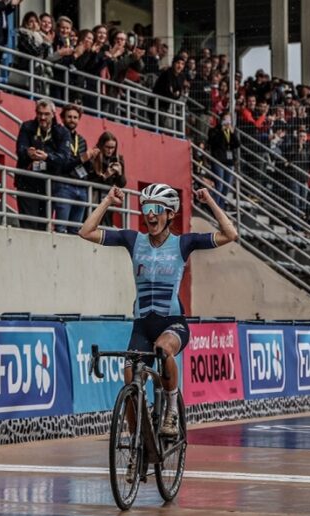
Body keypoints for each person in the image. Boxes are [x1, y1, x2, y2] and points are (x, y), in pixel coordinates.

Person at [78, 183, 237, 478]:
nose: (149, 215)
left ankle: (171, 408)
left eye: (155, 210)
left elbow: (231, 234)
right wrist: (108, 201)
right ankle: (138, 442)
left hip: (172, 323)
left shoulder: (183, 244)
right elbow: (85, 231)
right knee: (129, 376)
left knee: (164, 350)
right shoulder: (132, 239)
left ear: (169, 214)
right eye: (145, 209)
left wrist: (210, 201)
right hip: (142, 324)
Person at [14, 98, 71, 229]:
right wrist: (28, 153)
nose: (42, 117)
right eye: (39, 113)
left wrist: (47, 157)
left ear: (53, 113)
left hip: (49, 186)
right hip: (27, 183)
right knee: (28, 225)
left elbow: (64, 159)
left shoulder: (62, 132)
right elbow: (20, 150)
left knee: (43, 226)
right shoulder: (27, 127)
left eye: (46, 114)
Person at [52, 104, 96, 233]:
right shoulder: (57, 136)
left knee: (75, 231)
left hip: (81, 187)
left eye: (75, 117)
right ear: (63, 118)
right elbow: (62, 164)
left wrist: (90, 159)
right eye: (69, 117)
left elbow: (84, 165)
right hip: (64, 185)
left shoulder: (81, 140)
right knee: (60, 228)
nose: (72, 120)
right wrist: (81, 159)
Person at [206, 113, 240, 208]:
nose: (227, 123)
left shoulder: (231, 131)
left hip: (229, 161)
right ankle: (214, 207)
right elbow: (212, 142)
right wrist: (221, 131)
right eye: (226, 120)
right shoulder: (214, 130)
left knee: (227, 187)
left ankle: (220, 207)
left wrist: (232, 133)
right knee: (219, 185)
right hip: (218, 160)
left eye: (229, 121)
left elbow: (237, 144)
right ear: (221, 121)